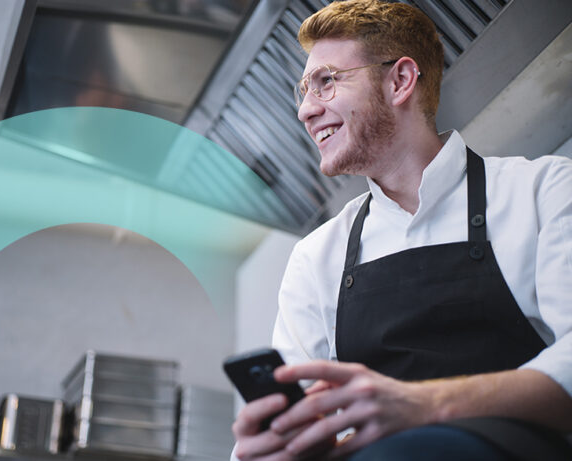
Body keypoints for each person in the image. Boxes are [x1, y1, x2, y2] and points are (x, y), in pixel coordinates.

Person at [230, 0, 572, 460]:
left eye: (326, 82)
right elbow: (299, 420)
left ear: (400, 80)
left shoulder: (543, 191)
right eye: (303, 90)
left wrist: (422, 405)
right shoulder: (317, 257)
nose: (306, 111)